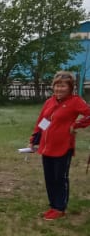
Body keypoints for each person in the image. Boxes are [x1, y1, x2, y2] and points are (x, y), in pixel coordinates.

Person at [29, 70, 90, 219]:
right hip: (47, 147)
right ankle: (53, 206)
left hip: (63, 147)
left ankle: (60, 208)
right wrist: (34, 139)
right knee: (49, 178)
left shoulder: (75, 101)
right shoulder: (49, 102)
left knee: (60, 178)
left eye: (63, 86)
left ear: (70, 87)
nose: (59, 89)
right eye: (57, 85)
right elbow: (44, 121)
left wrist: (77, 124)